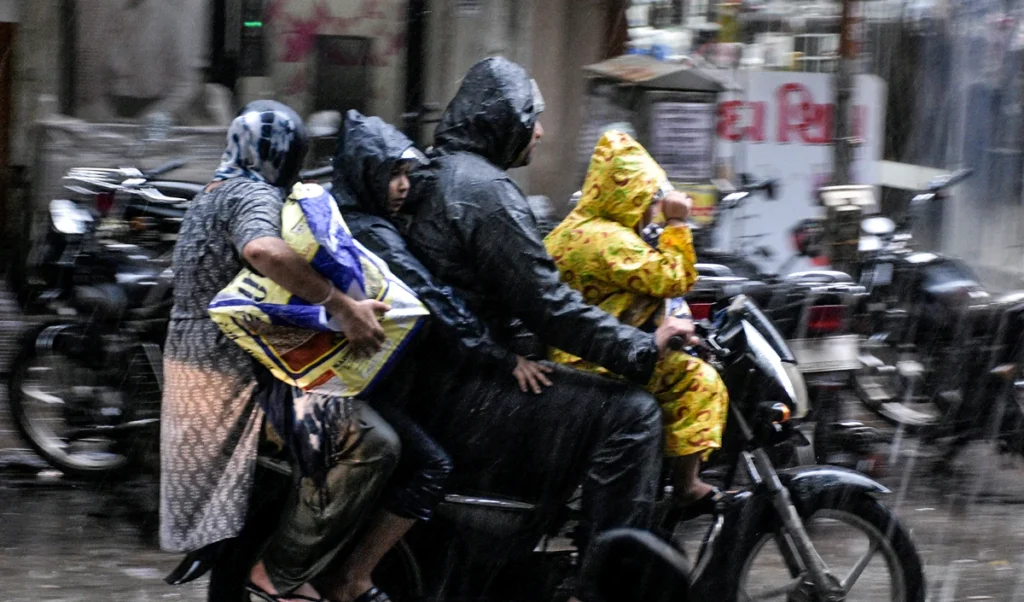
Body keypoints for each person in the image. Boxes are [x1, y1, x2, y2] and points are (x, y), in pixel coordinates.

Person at [339, 58, 695, 602]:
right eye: (532, 116)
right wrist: (641, 347)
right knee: (632, 414)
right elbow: (549, 307)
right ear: (501, 119)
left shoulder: (444, 175)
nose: (541, 130)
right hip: (465, 395)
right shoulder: (485, 192)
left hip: (438, 382)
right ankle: (606, 588)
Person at [160, 100, 410, 602]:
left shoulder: (209, 194)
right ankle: (284, 573)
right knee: (373, 444)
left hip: (194, 373)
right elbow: (264, 250)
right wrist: (341, 305)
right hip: (235, 382)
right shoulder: (252, 194)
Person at [544, 130, 730, 511]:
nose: (650, 210)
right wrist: (677, 223)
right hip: (600, 362)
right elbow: (675, 278)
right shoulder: (607, 239)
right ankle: (687, 485)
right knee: (700, 381)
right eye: (647, 200)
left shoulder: (573, 229)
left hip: (577, 352)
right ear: (628, 196)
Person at [323, 109, 454, 602]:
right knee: (433, 466)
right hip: (355, 383)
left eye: (405, 174)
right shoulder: (373, 232)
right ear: (366, 174)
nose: (402, 185)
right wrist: (494, 353)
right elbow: (430, 299)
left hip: (359, 377)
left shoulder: (356, 217)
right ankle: (354, 577)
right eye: (391, 174)